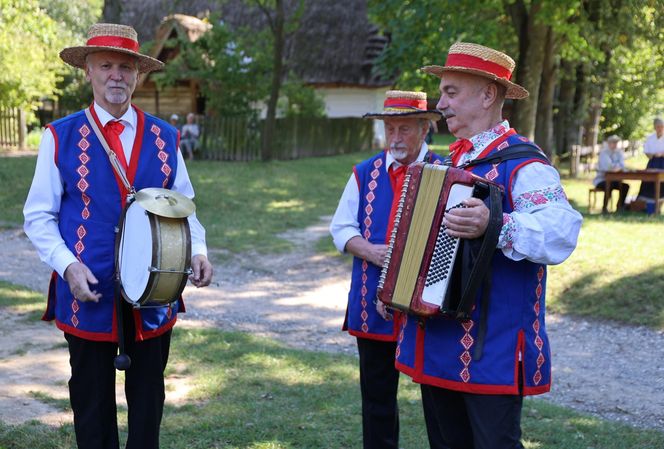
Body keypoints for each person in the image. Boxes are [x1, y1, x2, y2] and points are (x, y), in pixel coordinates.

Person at [23, 23, 213, 449]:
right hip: (86, 288)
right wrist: (68, 266)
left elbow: (186, 207)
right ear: (88, 71)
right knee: (91, 408)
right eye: (105, 65)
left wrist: (198, 250)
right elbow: (38, 217)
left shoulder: (166, 137)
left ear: (138, 76)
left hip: (154, 292)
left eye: (125, 67)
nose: (116, 75)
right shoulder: (59, 137)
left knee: (148, 407)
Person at [393, 43, 582, 449]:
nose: (440, 103)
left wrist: (495, 223)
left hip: (490, 346)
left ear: (487, 94)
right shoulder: (448, 165)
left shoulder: (525, 164)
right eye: (442, 92)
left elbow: (562, 232)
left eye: (451, 92)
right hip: (437, 339)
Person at [329, 90, 443, 449]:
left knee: (440, 404)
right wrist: (370, 252)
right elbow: (341, 228)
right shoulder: (365, 173)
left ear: (424, 129)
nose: (395, 137)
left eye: (405, 129)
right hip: (372, 304)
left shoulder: (448, 173)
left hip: (430, 309)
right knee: (377, 399)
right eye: (389, 128)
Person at [593, 134, 629, 212]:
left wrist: (617, 167)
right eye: (613, 142)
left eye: (616, 142)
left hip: (615, 179)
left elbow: (622, 165)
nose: (615, 144)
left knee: (625, 186)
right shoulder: (604, 153)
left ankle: (620, 207)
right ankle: (604, 208)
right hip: (601, 179)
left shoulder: (619, 152)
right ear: (609, 143)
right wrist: (617, 167)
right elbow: (607, 167)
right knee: (609, 185)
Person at [637, 117, 664, 200]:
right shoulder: (650, 138)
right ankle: (647, 202)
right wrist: (651, 155)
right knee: (648, 181)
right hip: (652, 162)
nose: (660, 128)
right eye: (658, 126)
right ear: (655, 127)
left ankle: (660, 201)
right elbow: (646, 151)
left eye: (661, 126)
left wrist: (661, 154)